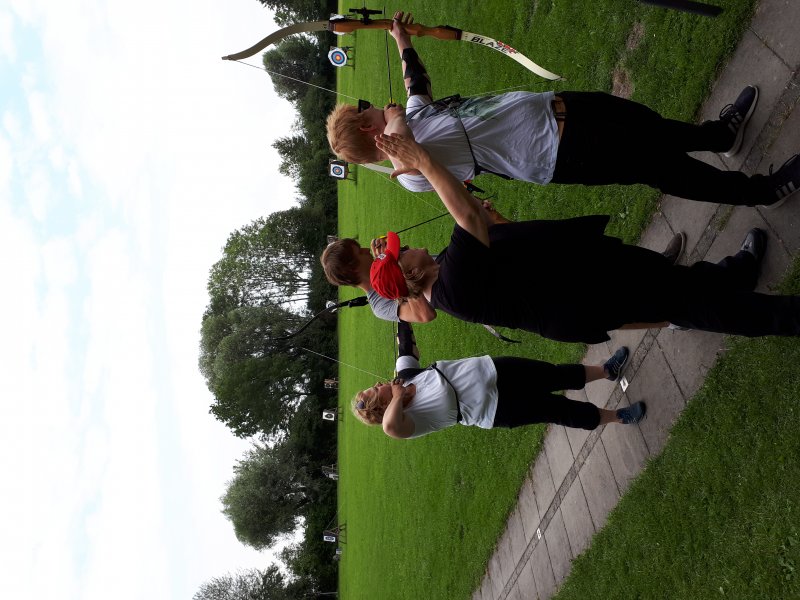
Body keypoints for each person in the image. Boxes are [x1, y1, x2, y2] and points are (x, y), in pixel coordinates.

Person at [326, 11, 800, 209]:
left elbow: (416, 83)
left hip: (558, 109)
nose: (377, 109)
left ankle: (720, 136)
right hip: (558, 152)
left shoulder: (411, 119)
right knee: (659, 167)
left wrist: (402, 39)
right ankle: (762, 192)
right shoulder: (408, 169)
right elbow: (403, 132)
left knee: (647, 124)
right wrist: (392, 118)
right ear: (369, 133)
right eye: (367, 115)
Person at [368, 131, 800, 344]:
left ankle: (737, 274)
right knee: (692, 305)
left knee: (676, 282)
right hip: (592, 294)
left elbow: (485, 229)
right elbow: (465, 216)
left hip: (587, 271)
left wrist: (493, 219)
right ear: (412, 273)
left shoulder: (445, 266)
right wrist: (422, 160)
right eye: (402, 252)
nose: (408, 245)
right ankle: (786, 316)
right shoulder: (452, 286)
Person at [353, 321, 646, 439]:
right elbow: (390, 427)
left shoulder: (405, 377)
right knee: (557, 409)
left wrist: (399, 304)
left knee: (553, 374)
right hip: (495, 409)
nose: (379, 384)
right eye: (375, 390)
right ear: (381, 405)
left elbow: (406, 342)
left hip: (493, 370)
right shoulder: (406, 422)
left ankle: (606, 371)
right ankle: (617, 417)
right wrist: (396, 397)